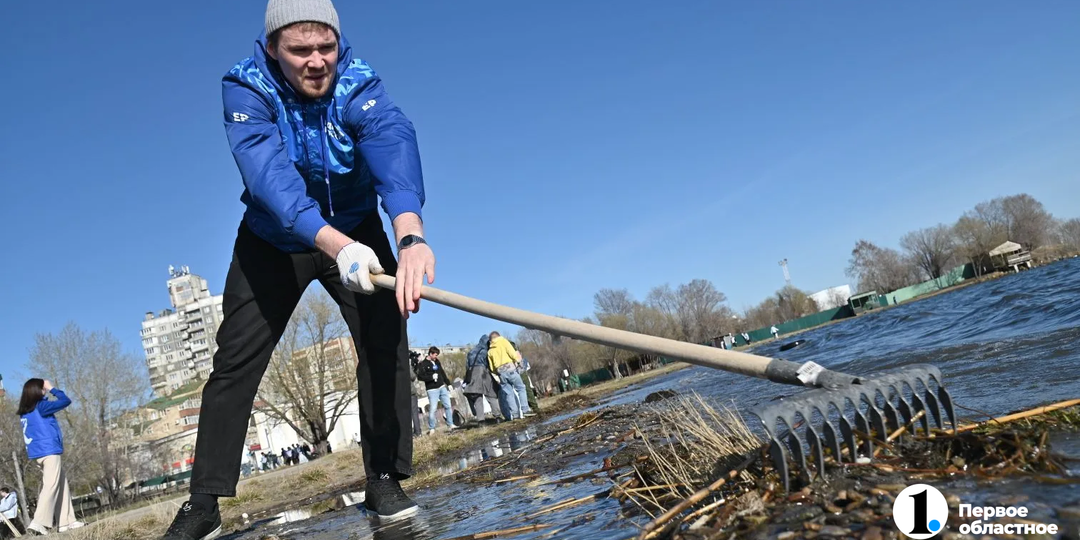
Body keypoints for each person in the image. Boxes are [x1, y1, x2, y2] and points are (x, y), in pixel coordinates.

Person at [162, 0, 435, 535]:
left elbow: (390, 140)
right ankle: (204, 503)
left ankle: (383, 475)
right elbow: (269, 176)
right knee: (234, 363)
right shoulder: (244, 88)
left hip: (356, 224)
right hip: (273, 238)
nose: (316, 61)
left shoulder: (358, 82)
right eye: (299, 50)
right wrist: (335, 245)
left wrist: (410, 234)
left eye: (325, 47)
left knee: (385, 342)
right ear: (271, 51)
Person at [17, 379, 84, 535]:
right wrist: (52, 387)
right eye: (43, 388)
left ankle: (67, 522)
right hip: (48, 451)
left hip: (37, 452)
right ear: (37, 391)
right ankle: (38, 522)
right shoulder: (41, 406)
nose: (45, 391)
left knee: (61, 483)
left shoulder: (25, 410)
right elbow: (65, 401)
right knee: (51, 485)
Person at [487, 332, 532, 420]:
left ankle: (515, 415)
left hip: (501, 373)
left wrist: (497, 372)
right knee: (521, 388)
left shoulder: (490, 350)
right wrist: (518, 362)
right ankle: (525, 410)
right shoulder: (504, 342)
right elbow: (512, 353)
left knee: (509, 394)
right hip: (510, 369)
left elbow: (491, 367)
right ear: (498, 336)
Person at [415, 347, 454, 434]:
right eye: (435, 355)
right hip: (432, 389)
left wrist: (448, 383)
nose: (436, 357)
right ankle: (432, 428)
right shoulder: (423, 364)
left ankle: (450, 424)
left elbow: (442, 372)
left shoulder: (437, 361)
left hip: (442, 387)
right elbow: (420, 377)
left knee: (448, 405)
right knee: (433, 409)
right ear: (430, 354)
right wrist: (431, 378)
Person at [463, 335, 499, 423]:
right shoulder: (485, 351)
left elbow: (467, 366)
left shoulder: (471, 352)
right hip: (483, 372)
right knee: (491, 394)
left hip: (472, 374)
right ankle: (497, 416)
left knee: (477, 397)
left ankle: (481, 420)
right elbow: (489, 365)